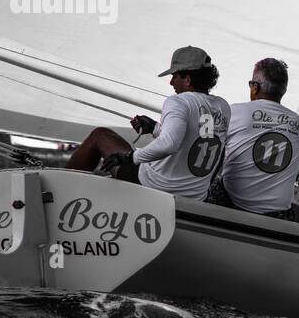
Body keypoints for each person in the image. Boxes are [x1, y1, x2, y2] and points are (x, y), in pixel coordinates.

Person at [66, 46, 230, 201]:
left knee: (100, 135)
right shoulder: (222, 106)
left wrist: (130, 157)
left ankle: (60, 188)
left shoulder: (178, 101)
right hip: (195, 195)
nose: (171, 82)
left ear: (187, 79)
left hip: (157, 186)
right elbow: (196, 140)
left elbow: (170, 144)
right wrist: (155, 128)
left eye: (174, 76)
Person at [206, 58, 299, 222]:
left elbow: (212, 153)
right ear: (284, 90)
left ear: (255, 87)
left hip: (234, 204)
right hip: (277, 214)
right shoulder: (298, 123)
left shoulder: (235, 112)